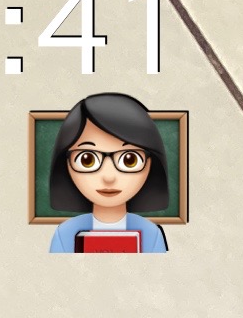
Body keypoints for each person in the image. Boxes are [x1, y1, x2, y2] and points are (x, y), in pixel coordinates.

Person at [46, 94, 174, 251]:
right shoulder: (64, 234)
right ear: (66, 163)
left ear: (149, 164)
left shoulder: (152, 234)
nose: (109, 177)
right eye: (87, 159)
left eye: (129, 160)